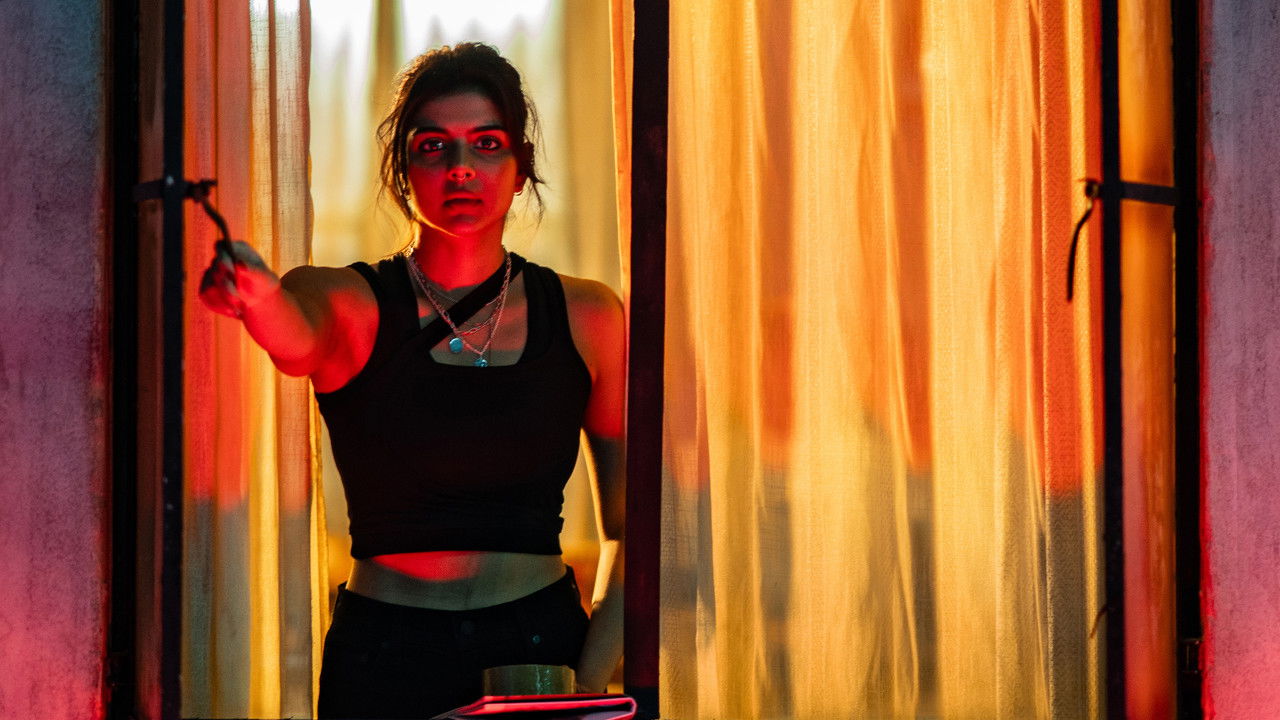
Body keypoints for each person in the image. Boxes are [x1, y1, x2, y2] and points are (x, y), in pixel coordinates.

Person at [198, 42, 625, 719]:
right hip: (386, 656)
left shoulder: (588, 315)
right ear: (402, 172)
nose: (461, 167)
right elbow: (294, 336)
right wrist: (257, 295)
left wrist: (589, 681)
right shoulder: (348, 302)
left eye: (487, 144)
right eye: (433, 147)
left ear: (521, 169)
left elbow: (632, 528)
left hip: (538, 651)